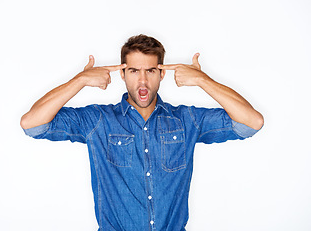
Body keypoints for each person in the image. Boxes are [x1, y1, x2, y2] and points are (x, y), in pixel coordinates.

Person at [20, 34, 264, 231]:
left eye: (150, 71)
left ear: (162, 74)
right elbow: (33, 124)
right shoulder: (98, 121)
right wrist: (79, 80)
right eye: (134, 71)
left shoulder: (186, 120)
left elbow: (251, 122)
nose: (143, 81)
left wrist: (203, 80)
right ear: (123, 74)